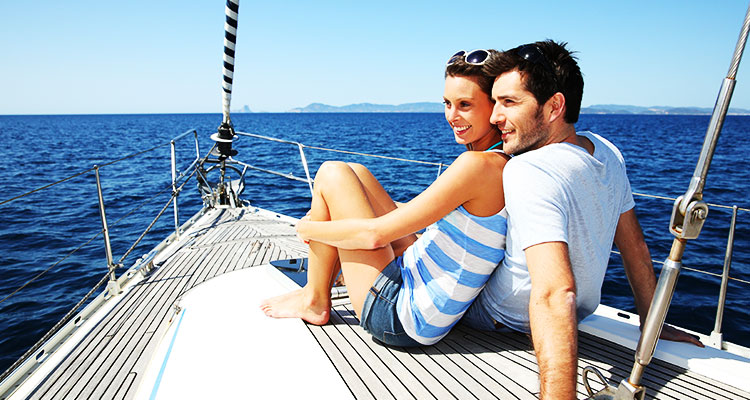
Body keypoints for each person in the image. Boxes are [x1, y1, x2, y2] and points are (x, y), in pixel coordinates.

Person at [459, 41, 703, 399]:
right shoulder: (605, 150)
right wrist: (654, 323)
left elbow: (555, 292)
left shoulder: (528, 169)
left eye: (509, 102)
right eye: (495, 102)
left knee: (406, 253)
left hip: (497, 315)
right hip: (581, 314)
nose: (495, 117)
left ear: (555, 105)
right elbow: (633, 243)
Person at [260, 50, 510, 346]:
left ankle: (314, 299)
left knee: (332, 173)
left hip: (399, 318)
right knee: (357, 173)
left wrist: (308, 229)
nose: (452, 116)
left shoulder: (478, 166)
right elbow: (423, 213)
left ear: (495, 108)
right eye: (447, 104)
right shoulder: (497, 160)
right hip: (421, 288)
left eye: (465, 105)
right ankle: (315, 289)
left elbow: (373, 237)